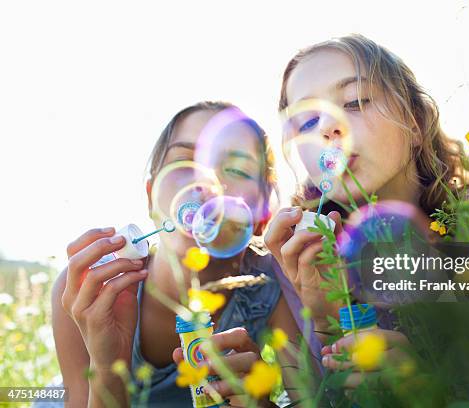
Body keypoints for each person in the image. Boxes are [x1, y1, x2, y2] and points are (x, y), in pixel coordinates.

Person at [265, 34, 469, 388]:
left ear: (415, 122)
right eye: (306, 122)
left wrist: (427, 384)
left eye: (355, 101)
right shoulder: (298, 259)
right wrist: (323, 320)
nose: (326, 127)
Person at [50, 102, 301, 407]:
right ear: (151, 197)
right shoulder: (92, 288)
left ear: (263, 213)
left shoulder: (270, 284)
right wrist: (106, 370)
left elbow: (310, 399)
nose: (205, 184)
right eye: (185, 161)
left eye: (236, 169)